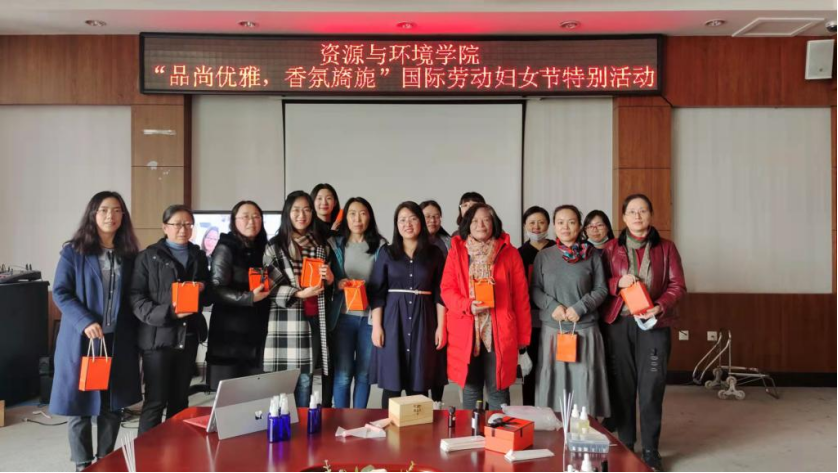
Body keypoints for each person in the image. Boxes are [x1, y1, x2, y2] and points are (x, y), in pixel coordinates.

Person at [50, 191, 141, 471]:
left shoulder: (129, 254)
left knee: (111, 404)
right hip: (82, 340)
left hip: (117, 340)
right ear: (93, 214)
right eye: (103, 210)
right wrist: (85, 321)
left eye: (116, 210)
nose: (110, 216)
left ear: (123, 216)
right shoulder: (74, 251)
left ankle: (105, 460)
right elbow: (61, 292)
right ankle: (82, 464)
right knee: (79, 406)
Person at [601, 194, 687, 472]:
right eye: (632, 211)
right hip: (620, 324)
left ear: (650, 215)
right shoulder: (610, 248)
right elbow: (599, 283)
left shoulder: (667, 248)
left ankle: (651, 449)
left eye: (642, 211)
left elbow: (678, 285)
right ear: (623, 217)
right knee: (623, 386)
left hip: (654, 325)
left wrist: (660, 306)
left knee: (651, 388)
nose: (637, 216)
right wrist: (617, 282)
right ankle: (626, 443)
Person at [441, 203, 531, 410]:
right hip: (466, 330)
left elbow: (521, 298)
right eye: (474, 221)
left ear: (494, 223)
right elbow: (446, 289)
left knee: (498, 389)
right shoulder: (457, 252)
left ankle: (498, 430)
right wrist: (467, 305)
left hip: (500, 331)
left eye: (486, 220)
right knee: (471, 389)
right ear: (467, 225)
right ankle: (471, 430)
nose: (480, 225)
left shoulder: (509, 253)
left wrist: (523, 340)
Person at [130, 205, 210, 434]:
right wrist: (169, 312)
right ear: (165, 227)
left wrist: (203, 287)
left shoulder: (198, 256)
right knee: (155, 401)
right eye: (177, 224)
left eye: (188, 224)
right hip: (157, 339)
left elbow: (208, 294)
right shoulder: (147, 257)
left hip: (188, 337)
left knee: (180, 401)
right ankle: (147, 454)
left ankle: (177, 451)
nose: (183, 229)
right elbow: (136, 298)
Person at [531, 205, 610, 417]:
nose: (565, 227)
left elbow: (602, 289)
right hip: (553, 330)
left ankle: (585, 427)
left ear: (580, 226)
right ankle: (554, 428)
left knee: (584, 381)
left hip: (584, 329)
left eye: (571, 222)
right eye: (560, 222)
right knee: (553, 380)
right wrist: (552, 306)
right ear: (554, 226)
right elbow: (535, 289)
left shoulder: (592, 256)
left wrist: (581, 307)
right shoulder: (544, 256)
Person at [369, 202, 447, 409]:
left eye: (413, 218)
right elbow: (377, 292)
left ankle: (419, 427)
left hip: (425, 321)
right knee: (391, 383)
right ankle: (388, 425)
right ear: (396, 224)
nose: (407, 224)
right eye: (402, 220)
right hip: (392, 322)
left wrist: (441, 327)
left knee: (419, 382)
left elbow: (441, 293)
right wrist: (377, 327)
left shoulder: (434, 253)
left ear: (421, 222)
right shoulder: (386, 252)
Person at [263, 191, 335, 408]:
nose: (301, 215)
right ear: (287, 213)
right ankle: (283, 420)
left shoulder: (322, 246)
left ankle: (302, 420)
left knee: (306, 378)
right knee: (283, 381)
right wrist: (299, 294)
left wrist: (330, 279)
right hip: (287, 321)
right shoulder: (275, 246)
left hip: (314, 319)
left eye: (306, 210)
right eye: (296, 210)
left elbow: (328, 285)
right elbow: (269, 288)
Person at [206, 201, 270, 390]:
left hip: (257, 328)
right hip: (230, 331)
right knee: (229, 391)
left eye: (256, 216)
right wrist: (249, 298)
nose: (251, 221)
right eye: (245, 217)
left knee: (256, 390)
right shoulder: (226, 247)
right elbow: (216, 289)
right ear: (234, 221)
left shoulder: (263, 248)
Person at [329, 197, 386, 408]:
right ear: (346, 217)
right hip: (342, 317)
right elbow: (324, 280)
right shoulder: (335, 244)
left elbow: (384, 284)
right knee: (343, 374)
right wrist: (338, 283)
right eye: (352, 214)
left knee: (364, 374)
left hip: (368, 319)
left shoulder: (380, 246)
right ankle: (341, 418)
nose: (357, 219)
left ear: (369, 217)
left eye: (362, 213)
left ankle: (359, 418)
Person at [518, 205, 556, 406]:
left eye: (541, 222)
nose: (536, 227)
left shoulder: (558, 249)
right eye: (532, 222)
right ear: (525, 225)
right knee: (530, 366)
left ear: (548, 224)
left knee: (553, 364)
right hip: (530, 317)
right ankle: (529, 409)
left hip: (555, 315)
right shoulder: (519, 253)